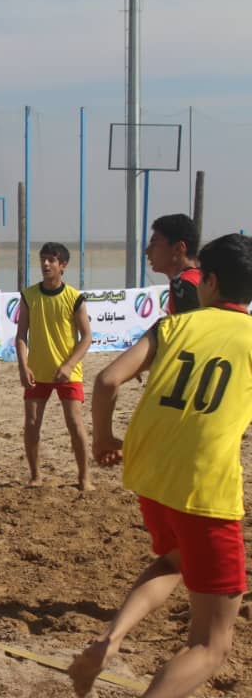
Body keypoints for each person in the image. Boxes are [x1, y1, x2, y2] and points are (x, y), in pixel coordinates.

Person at [69, 233, 252, 698]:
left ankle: (111, 637)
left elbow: (107, 381)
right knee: (210, 648)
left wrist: (104, 439)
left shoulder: (173, 326)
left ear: (210, 281)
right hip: (205, 489)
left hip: (150, 472)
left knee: (174, 560)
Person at [15, 242, 93, 490]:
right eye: (43, 259)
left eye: (51, 260)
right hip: (37, 371)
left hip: (68, 373)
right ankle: (35, 476)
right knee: (31, 423)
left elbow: (87, 337)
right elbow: (21, 336)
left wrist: (69, 365)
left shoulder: (74, 297)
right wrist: (23, 366)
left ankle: (84, 478)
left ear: (63, 265)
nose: (46, 264)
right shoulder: (29, 296)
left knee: (75, 423)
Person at [145, 213, 201, 315]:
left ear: (178, 248)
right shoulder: (203, 279)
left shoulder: (181, 285)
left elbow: (189, 324)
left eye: (154, 244)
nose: (147, 251)